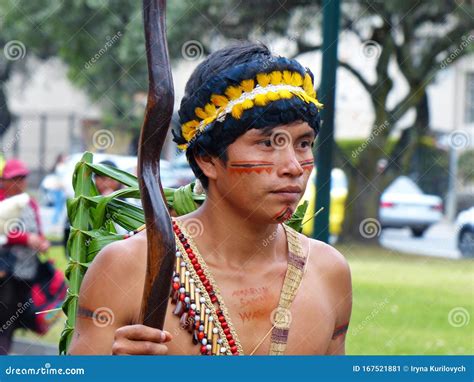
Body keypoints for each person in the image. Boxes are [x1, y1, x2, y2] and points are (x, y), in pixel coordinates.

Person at [68, 42, 352, 355]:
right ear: (207, 159)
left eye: (303, 143)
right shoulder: (130, 267)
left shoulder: (328, 272)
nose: (293, 167)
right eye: (268, 143)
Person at [0, 159, 50, 354]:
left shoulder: (30, 203)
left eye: (22, 179)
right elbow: (4, 232)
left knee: (14, 318)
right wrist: (25, 238)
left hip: (27, 272)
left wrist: (42, 242)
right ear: (4, 181)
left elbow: (39, 229)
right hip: (6, 271)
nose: (19, 183)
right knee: (4, 317)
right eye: (14, 179)